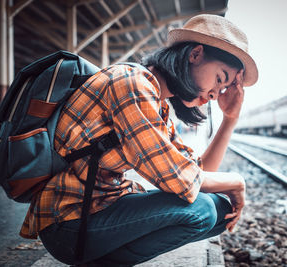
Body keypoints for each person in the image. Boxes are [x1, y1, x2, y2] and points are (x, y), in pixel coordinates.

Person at [20, 14, 258, 266]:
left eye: (221, 90)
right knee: (203, 210)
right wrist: (237, 182)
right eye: (219, 79)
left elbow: (198, 174)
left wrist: (229, 119)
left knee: (220, 209)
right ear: (195, 54)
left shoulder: (158, 106)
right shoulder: (132, 84)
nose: (213, 95)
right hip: (68, 222)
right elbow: (180, 179)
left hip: (100, 210)